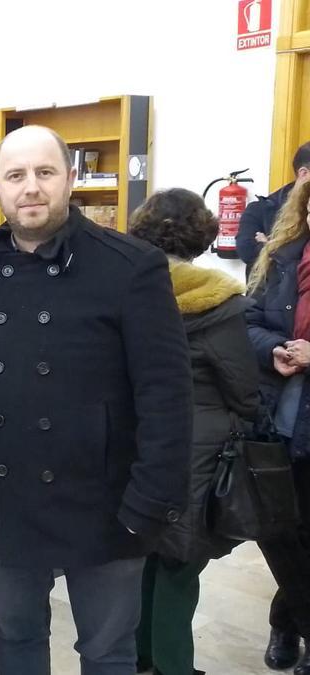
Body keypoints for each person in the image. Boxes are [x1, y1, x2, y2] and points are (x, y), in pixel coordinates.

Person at [0, 125, 192, 675]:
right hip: (9, 497)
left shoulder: (131, 266)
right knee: (15, 638)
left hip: (106, 502)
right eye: (15, 175)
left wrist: (150, 503)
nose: (30, 187)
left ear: (71, 179)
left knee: (107, 651)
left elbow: (167, 395)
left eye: (45, 172)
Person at [128, 188, 259, 675]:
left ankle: (138, 658)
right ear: (202, 234)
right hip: (198, 451)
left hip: (139, 441)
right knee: (181, 567)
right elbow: (244, 391)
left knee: (143, 555)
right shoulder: (221, 304)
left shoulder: (130, 288)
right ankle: (174, 666)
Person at [245, 178, 310, 675]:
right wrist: (274, 348)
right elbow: (247, 321)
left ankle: (289, 620)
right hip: (281, 418)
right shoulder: (284, 255)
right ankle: (291, 621)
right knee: (281, 530)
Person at [240, 142, 310, 278]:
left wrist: (270, 246)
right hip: (269, 296)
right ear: (304, 173)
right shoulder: (261, 209)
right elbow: (247, 251)